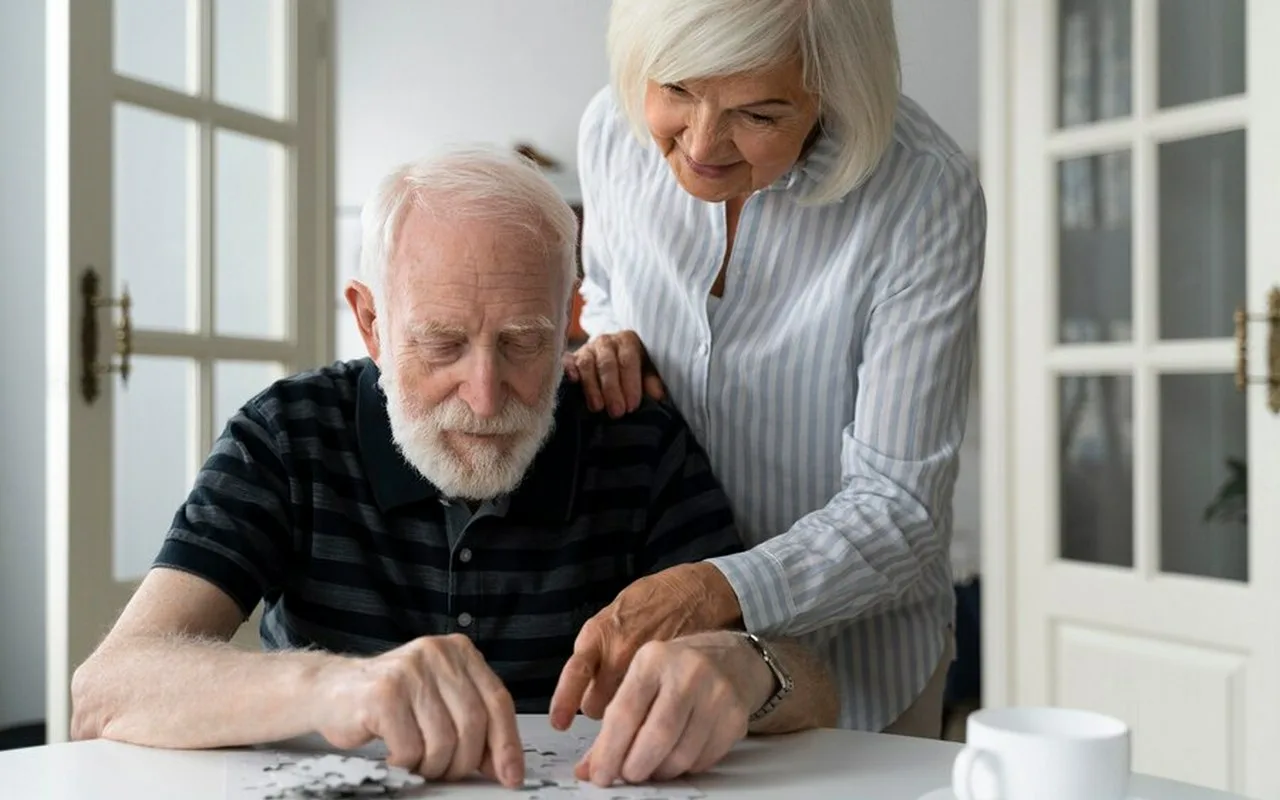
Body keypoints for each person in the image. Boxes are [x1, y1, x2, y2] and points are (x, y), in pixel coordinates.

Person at [69, 149, 837, 789]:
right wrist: (338, 685)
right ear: (371, 321)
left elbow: (814, 684)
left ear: (573, 313)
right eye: (441, 344)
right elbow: (108, 688)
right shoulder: (289, 434)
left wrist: (747, 669)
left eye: (523, 342)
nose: (483, 393)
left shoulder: (638, 442)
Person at [554, 0, 986, 739]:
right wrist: (608, 337)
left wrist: (718, 586)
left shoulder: (924, 193)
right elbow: (604, 290)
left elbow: (901, 506)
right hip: (662, 656)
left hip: (862, 664)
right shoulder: (609, 130)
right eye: (678, 90)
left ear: (835, 88)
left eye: (758, 115)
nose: (701, 145)